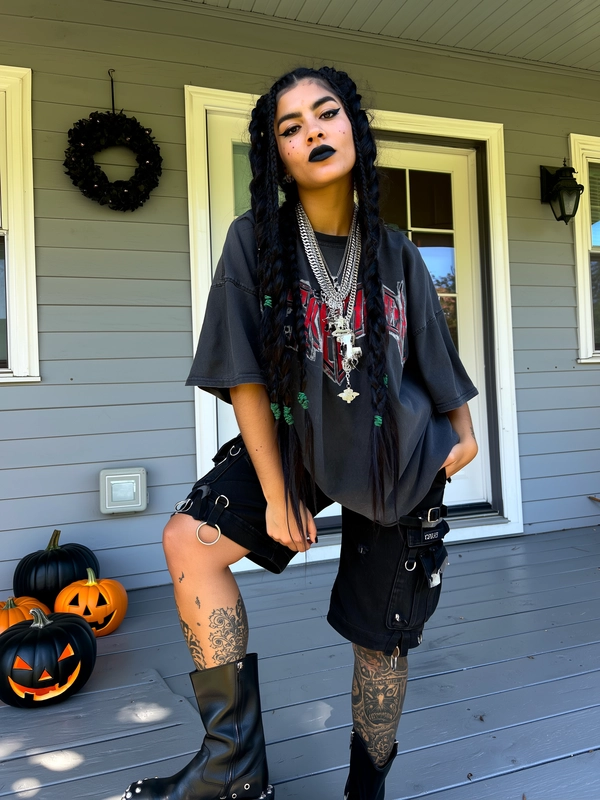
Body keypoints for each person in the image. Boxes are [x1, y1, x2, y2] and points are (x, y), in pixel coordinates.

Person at [122, 66, 478, 800]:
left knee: (381, 637)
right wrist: (279, 492)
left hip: (397, 453)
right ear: (278, 156)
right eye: (292, 127)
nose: (313, 131)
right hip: (298, 442)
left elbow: (434, 355)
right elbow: (245, 377)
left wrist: (465, 434)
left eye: (326, 113)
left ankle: (365, 791)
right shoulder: (256, 241)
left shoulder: (398, 252)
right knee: (190, 540)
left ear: (355, 129)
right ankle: (231, 767)